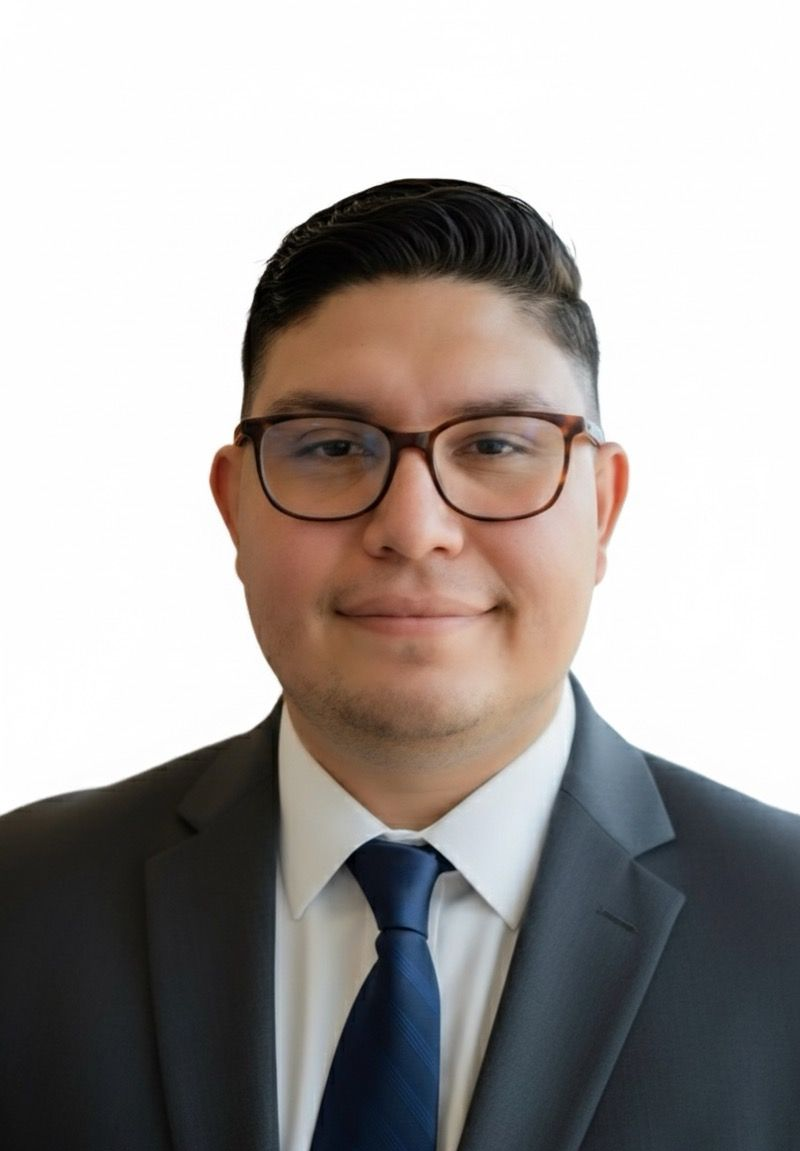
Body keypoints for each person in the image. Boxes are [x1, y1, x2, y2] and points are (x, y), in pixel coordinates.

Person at [1, 179, 798, 1151]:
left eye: (496, 443)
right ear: (234, 507)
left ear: (600, 502)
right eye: (331, 445)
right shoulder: (23, 903)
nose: (412, 528)